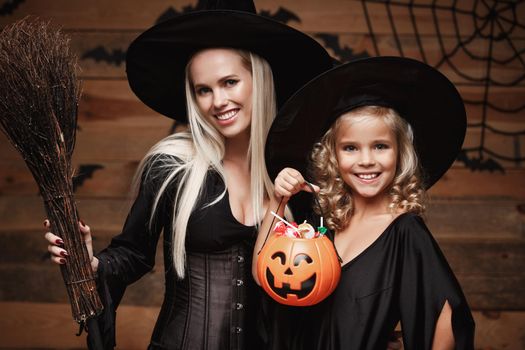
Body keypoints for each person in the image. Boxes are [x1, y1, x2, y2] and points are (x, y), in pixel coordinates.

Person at [44, 1, 334, 349]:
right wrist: (90, 264)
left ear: (259, 79)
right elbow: (134, 254)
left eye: (230, 82)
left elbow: (321, 271)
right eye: (203, 90)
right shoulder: (173, 166)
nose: (218, 101)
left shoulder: (293, 176)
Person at [253, 56, 475, 349]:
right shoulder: (322, 222)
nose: (366, 160)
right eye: (351, 148)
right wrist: (278, 200)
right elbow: (262, 274)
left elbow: (447, 316)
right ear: (333, 155)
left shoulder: (404, 232)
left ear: (399, 154)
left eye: (380, 146)